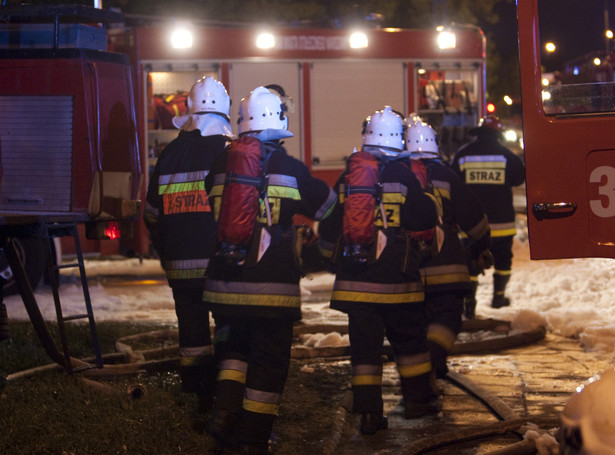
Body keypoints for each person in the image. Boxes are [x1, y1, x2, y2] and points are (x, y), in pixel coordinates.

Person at [203, 85, 336, 454]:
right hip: (272, 289)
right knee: (268, 363)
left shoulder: (218, 166)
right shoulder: (290, 168)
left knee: (233, 349)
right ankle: (253, 439)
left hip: (225, 282)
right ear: (278, 123)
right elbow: (329, 206)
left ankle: (224, 415)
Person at [318, 107, 440, 436]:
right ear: (398, 140)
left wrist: (327, 256)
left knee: (365, 351)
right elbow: (423, 219)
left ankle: (369, 413)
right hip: (397, 283)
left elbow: (330, 226)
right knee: (411, 343)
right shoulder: (403, 175)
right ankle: (419, 401)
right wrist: (428, 199)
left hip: (355, 283)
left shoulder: (349, 177)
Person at [144, 76, 232, 411]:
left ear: (188, 109)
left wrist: (167, 250)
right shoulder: (228, 151)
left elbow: (151, 213)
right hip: (221, 264)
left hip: (181, 267)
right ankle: (226, 393)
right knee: (227, 328)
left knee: (192, 334)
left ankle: (198, 397)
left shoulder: (170, 154)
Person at [405, 116, 491, 378]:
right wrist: (482, 246)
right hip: (448, 269)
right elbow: (476, 222)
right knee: (447, 321)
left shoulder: (396, 177)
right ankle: (434, 360)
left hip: (410, 271)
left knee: (419, 325)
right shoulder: (446, 176)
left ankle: (430, 372)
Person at [451, 114, 525, 313]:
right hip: (501, 225)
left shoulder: (463, 154)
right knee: (503, 262)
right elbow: (519, 178)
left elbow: (452, 183)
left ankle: (469, 305)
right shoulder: (506, 155)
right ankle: (498, 299)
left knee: (471, 264)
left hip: (472, 226)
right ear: (498, 134)